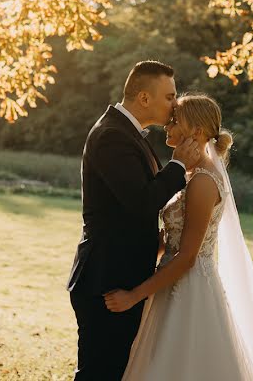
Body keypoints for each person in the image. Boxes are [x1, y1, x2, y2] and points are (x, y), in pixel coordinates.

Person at [104, 93, 253, 381]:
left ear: (195, 131)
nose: (167, 126)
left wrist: (134, 296)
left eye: (175, 121)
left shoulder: (204, 182)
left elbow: (187, 256)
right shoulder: (191, 176)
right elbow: (171, 240)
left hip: (189, 287)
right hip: (170, 282)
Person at [66, 61, 202, 381]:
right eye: (169, 97)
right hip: (106, 278)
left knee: (114, 371)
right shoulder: (113, 136)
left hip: (122, 274)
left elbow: (130, 212)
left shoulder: (130, 135)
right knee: (99, 373)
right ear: (144, 98)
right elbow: (142, 202)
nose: (174, 104)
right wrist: (179, 167)